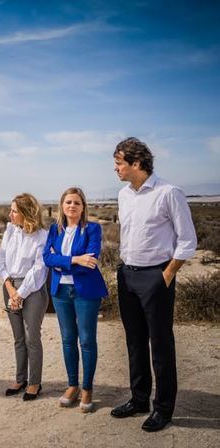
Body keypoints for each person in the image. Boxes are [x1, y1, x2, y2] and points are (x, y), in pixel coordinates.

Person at [111, 137, 197, 432]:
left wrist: (167, 274)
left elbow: (187, 241)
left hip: (156, 278)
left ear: (137, 163)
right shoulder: (123, 195)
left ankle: (163, 409)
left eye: (119, 162)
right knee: (134, 342)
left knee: (160, 344)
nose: (115, 168)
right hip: (127, 276)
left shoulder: (169, 193)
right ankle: (139, 400)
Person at [43, 187, 108, 412]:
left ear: (83, 207)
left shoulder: (92, 229)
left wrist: (64, 261)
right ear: (62, 205)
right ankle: (72, 385)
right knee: (68, 339)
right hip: (60, 292)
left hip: (86, 291)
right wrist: (74, 259)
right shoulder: (54, 230)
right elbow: (46, 258)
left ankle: (87, 387)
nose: (72, 206)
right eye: (68, 202)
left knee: (87, 340)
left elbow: (91, 261)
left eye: (77, 203)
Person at [0, 193, 48, 401]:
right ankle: (20, 379)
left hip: (32, 289)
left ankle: (35, 383)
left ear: (26, 213)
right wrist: (10, 288)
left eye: (14, 211)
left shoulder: (41, 236)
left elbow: (39, 269)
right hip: (9, 286)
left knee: (31, 337)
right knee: (18, 337)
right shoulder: (10, 231)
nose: (10, 214)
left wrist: (20, 293)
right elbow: (0, 262)